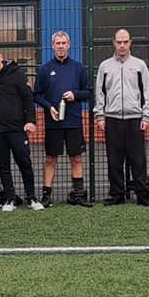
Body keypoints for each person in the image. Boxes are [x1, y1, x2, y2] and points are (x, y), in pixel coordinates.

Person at [94, 29, 149, 206]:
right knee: (114, 160)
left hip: (135, 119)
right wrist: (100, 115)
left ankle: (142, 195)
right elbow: (100, 92)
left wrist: (147, 116)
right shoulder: (105, 66)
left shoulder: (140, 65)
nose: (122, 45)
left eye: (125, 41)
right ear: (114, 42)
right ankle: (117, 194)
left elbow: (147, 91)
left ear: (130, 42)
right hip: (112, 119)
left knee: (138, 159)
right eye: (119, 42)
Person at [0, 45, 42, 211]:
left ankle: (32, 197)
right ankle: (10, 199)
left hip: (17, 129)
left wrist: (31, 121)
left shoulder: (17, 74)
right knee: (3, 166)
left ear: (1, 58)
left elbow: (28, 98)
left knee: (24, 163)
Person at [33, 31, 92, 207]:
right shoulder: (44, 69)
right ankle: (46, 195)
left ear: (69, 45)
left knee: (76, 158)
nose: (60, 46)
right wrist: (49, 107)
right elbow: (36, 95)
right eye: (57, 43)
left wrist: (75, 95)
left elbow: (88, 93)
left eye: (63, 43)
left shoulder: (78, 68)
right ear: (52, 46)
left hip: (73, 121)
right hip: (53, 123)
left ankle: (79, 194)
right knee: (51, 158)